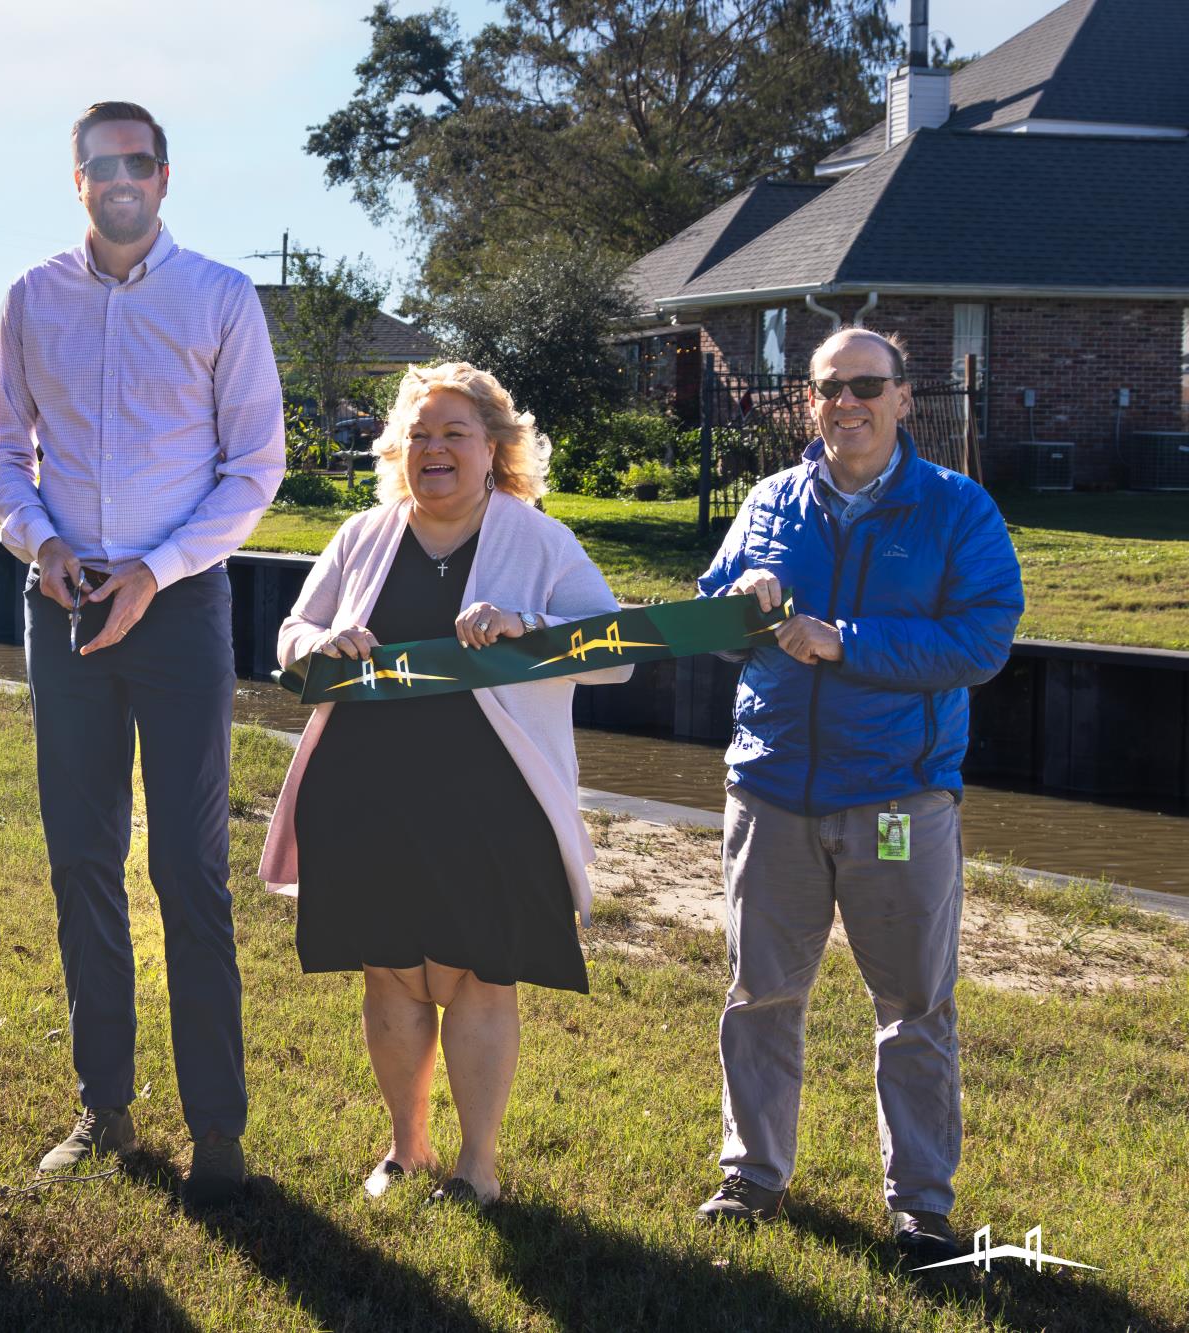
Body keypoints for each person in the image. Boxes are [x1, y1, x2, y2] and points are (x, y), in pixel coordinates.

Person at [0, 100, 285, 1203]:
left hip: (180, 602)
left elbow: (253, 469)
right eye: (99, 162)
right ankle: (103, 1108)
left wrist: (155, 569)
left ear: (164, 175)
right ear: (76, 178)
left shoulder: (219, 297)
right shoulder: (30, 297)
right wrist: (43, 542)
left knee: (187, 870)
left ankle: (218, 1134)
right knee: (80, 860)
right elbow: (0, 453)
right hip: (62, 600)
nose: (119, 177)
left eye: (137, 161)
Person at [258, 362, 631, 1206]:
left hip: (491, 800)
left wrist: (524, 628)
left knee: (477, 975)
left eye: (455, 433)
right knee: (388, 970)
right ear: (398, 448)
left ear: (494, 448)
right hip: (367, 789)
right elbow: (292, 634)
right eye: (420, 434)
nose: (434, 449)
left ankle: (479, 1168)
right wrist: (323, 642)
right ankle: (406, 1149)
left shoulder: (539, 540)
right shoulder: (362, 533)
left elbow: (611, 655)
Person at [692, 328, 1023, 1267]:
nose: (849, 403)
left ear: (905, 398)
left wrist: (847, 640)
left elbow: (983, 640)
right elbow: (710, 618)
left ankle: (921, 1205)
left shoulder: (956, 509)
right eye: (830, 389)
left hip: (897, 803)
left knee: (915, 1007)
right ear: (808, 405)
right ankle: (752, 1176)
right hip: (771, 793)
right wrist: (738, 599)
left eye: (867, 385)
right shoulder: (767, 502)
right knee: (759, 994)